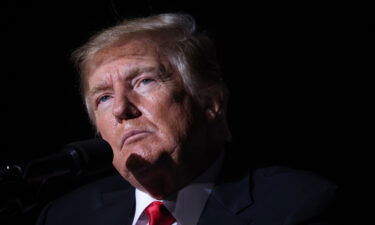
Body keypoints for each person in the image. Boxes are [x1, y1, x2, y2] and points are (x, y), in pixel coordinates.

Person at [36, 13, 346, 225]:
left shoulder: (297, 206)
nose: (120, 109)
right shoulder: (66, 216)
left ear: (211, 102)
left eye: (144, 81)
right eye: (103, 98)